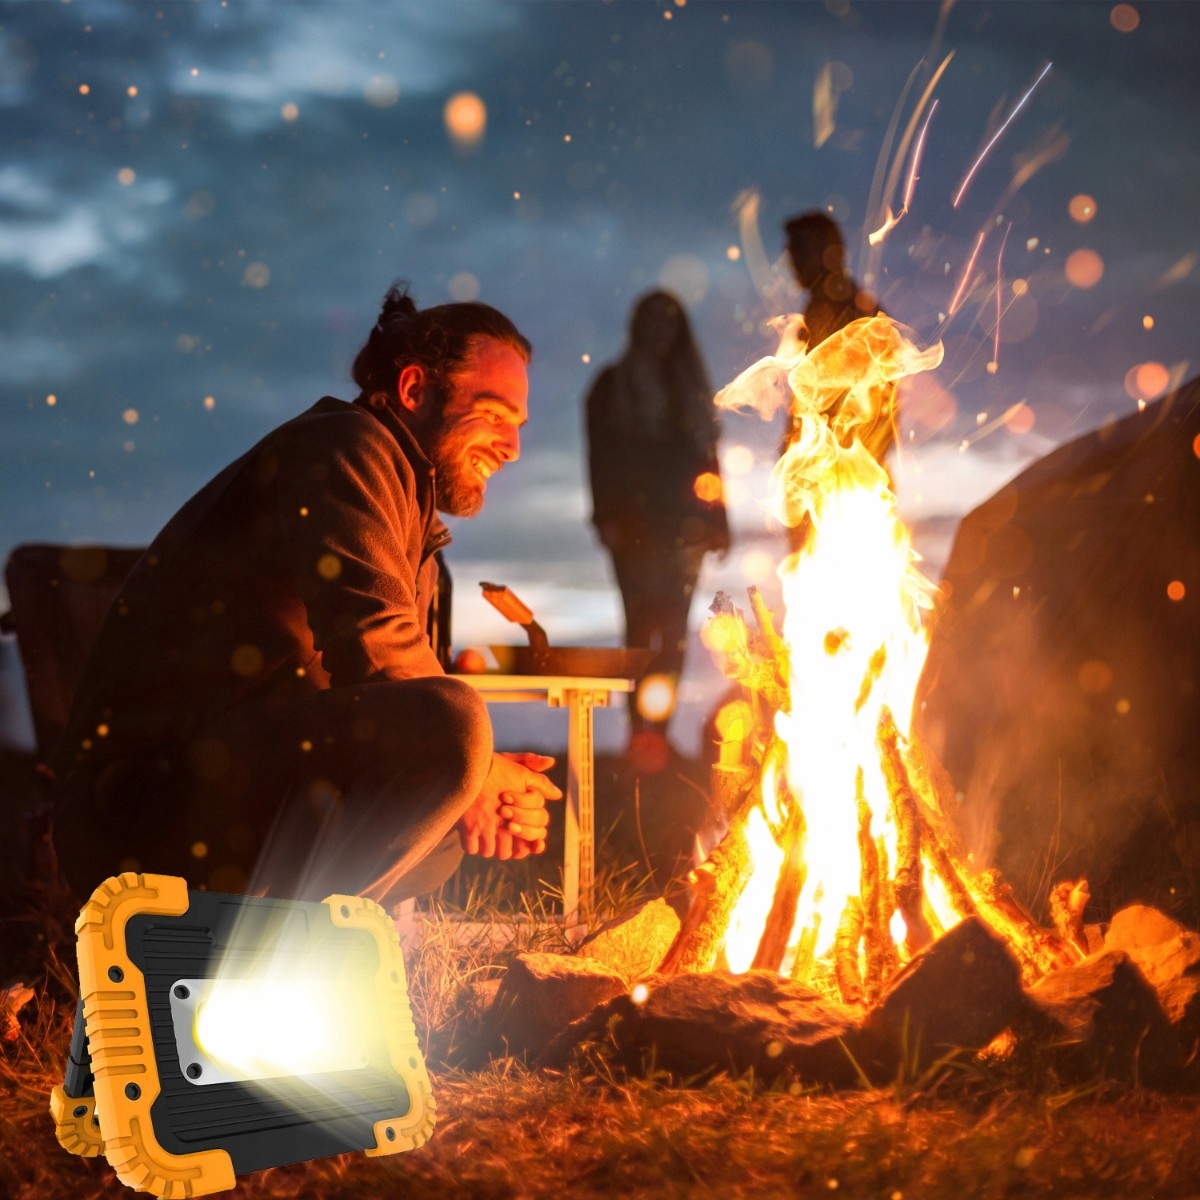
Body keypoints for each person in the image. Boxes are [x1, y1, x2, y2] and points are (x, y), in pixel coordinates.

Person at [52, 284, 562, 904]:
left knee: (445, 816)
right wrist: (479, 767)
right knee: (453, 730)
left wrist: (487, 786)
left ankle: (286, 964)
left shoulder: (409, 507)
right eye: (494, 414)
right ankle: (270, 956)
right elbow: (376, 653)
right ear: (413, 390)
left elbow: (387, 691)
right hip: (142, 801)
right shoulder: (346, 446)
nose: (512, 448)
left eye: (519, 426)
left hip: (225, 776)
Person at [585, 291, 729, 758]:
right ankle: (639, 737)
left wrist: (718, 521)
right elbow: (600, 457)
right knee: (640, 633)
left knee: (673, 639)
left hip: (683, 531)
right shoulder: (613, 386)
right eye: (651, 320)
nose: (659, 331)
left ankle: (657, 738)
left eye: (668, 322)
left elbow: (707, 462)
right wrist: (607, 516)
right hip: (635, 529)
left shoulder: (687, 389)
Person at [781, 211, 897, 550]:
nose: (792, 261)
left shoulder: (855, 314)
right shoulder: (821, 309)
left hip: (843, 484)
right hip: (824, 479)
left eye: (800, 249)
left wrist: (834, 471)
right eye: (791, 251)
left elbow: (881, 406)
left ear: (830, 250)